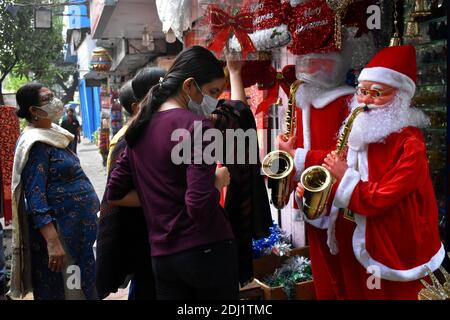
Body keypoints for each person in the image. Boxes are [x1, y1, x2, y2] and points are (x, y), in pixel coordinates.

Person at [106, 46, 240, 300]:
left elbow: (115, 193)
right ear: (189, 86)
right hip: (205, 252)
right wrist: (216, 182)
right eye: (212, 92)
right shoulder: (198, 126)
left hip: (163, 258)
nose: (213, 100)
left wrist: (162, 195)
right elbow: (198, 205)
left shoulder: (140, 126)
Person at [320, 45, 445, 299]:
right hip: (356, 238)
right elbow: (337, 164)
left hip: (392, 245)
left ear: (400, 97)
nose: (365, 101)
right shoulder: (361, 129)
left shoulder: (410, 144)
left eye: (377, 94)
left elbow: (384, 195)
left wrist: (344, 178)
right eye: (362, 92)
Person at [9, 83, 99, 300]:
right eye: (47, 99)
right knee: (72, 291)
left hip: (77, 232)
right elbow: (36, 196)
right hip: (62, 235)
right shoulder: (36, 143)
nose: (55, 101)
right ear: (33, 110)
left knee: (82, 288)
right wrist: (53, 241)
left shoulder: (53, 134)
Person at [278, 51, 355, 299]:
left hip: (340, 200)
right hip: (311, 196)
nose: (308, 66)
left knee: (347, 273)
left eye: (317, 59)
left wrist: (298, 156)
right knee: (324, 274)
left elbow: (347, 156)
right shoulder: (302, 98)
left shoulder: (348, 101)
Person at [97, 67, 165, 301]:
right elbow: (116, 194)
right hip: (142, 237)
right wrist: (169, 195)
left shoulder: (161, 133)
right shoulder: (129, 141)